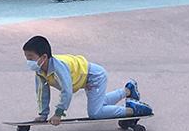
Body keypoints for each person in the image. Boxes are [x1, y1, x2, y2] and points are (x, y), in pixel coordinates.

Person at [23, 36, 153, 125]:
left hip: (94, 76)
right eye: (26, 57)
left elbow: (67, 91)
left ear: (44, 57)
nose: (28, 61)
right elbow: (42, 92)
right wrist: (43, 114)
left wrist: (59, 113)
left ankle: (133, 109)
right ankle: (128, 90)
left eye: (30, 57)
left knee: (95, 113)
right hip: (87, 78)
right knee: (99, 103)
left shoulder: (58, 68)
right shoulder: (40, 70)